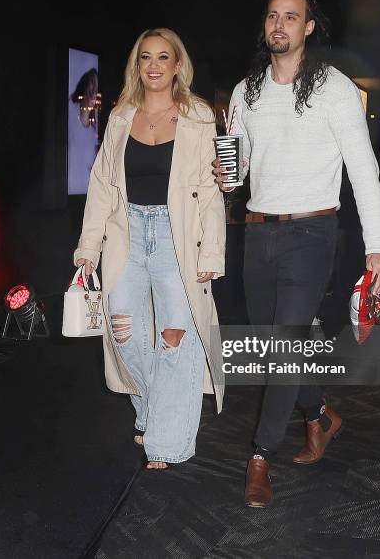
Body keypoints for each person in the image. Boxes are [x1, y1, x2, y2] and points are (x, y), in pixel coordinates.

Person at [213, 0, 380, 507]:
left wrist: (376, 248)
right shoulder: (247, 91)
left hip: (312, 233)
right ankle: (320, 415)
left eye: (292, 16)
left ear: (309, 27)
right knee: (277, 350)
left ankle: (261, 456)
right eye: (273, 15)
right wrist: (228, 173)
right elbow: (238, 172)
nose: (280, 24)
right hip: (258, 231)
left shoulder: (334, 89)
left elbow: (363, 170)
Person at [74, 28, 226, 469]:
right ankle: (153, 411)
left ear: (178, 64)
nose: (154, 66)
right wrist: (88, 247)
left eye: (164, 57)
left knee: (175, 338)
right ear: (137, 65)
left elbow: (210, 191)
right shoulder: (121, 115)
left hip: (178, 236)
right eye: (146, 57)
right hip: (128, 235)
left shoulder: (198, 116)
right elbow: (101, 185)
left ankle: (166, 442)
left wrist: (211, 253)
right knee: (122, 331)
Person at [68, 68, 100, 194]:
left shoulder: (94, 127)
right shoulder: (70, 112)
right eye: (90, 90)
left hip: (87, 191)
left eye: (95, 91)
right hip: (70, 189)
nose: (92, 95)